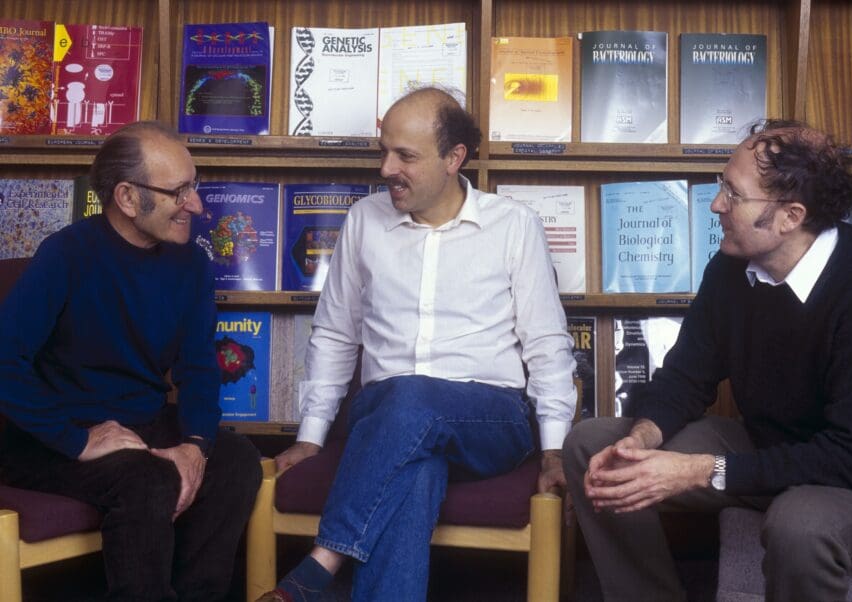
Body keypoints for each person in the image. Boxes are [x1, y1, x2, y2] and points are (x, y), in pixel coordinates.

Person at [259, 87, 577, 602]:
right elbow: (336, 333)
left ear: (455, 158)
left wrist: (554, 448)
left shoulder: (513, 224)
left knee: (411, 400)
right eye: (384, 151)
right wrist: (312, 435)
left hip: (491, 420)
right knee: (415, 464)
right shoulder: (365, 220)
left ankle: (321, 566)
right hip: (386, 417)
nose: (386, 168)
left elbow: (546, 342)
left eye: (405, 155)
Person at [563, 120, 852, 602]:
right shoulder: (731, 265)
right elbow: (684, 376)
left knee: (800, 526)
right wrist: (641, 441)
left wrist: (699, 469)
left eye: (733, 194)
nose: (716, 204)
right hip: (767, 442)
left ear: (790, 216)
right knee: (594, 447)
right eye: (722, 186)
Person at [0, 121, 263, 601]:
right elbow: (4, 360)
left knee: (238, 460)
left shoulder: (191, 265)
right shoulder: (65, 255)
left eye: (194, 186)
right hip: (49, 438)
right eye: (178, 191)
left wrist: (196, 446)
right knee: (145, 478)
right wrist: (76, 440)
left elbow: (200, 369)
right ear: (126, 197)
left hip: (137, 424)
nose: (197, 205)